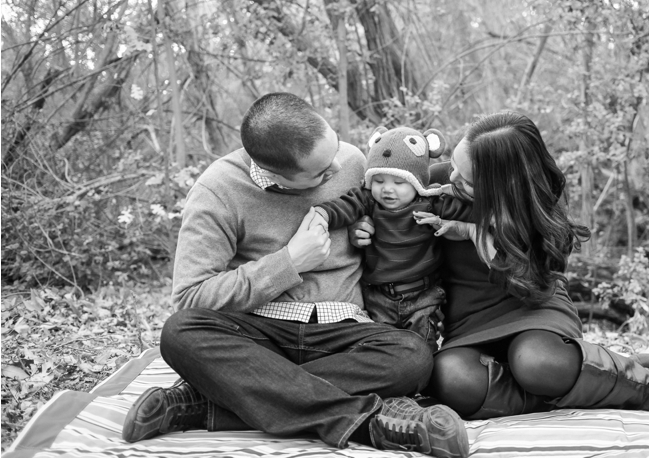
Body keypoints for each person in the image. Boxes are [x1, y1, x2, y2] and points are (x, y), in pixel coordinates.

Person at [121, 93, 469, 458]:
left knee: (413, 355)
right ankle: (369, 423)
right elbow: (190, 297)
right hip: (261, 334)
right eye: (321, 173)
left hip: (345, 333)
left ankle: (218, 401)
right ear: (275, 175)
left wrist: (368, 232)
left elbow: (404, 200)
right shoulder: (218, 189)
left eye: (335, 148)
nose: (338, 166)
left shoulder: (354, 162)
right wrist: (288, 262)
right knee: (179, 332)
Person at [352, 111, 649, 422]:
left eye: (467, 180)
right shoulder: (430, 185)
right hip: (466, 323)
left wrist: (478, 231)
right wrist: (364, 228)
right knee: (451, 381)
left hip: (532, 310)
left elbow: (532, 282)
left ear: (505, 186)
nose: (450, 178)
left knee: (535, 362)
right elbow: (378, 206)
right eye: (454, 167)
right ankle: (601, 376)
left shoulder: (537, 211)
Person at [314, 126, 472, 353]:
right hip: (379, 296)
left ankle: (426, 372)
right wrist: (323, 214)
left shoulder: (430, 203)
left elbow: (468, 209)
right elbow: (345, 205)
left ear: (417, 183)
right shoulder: (369, 201)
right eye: (379, 181)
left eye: (399, 183)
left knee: (424, 346)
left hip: (422, 295)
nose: (387, 190)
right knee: (382, 348)